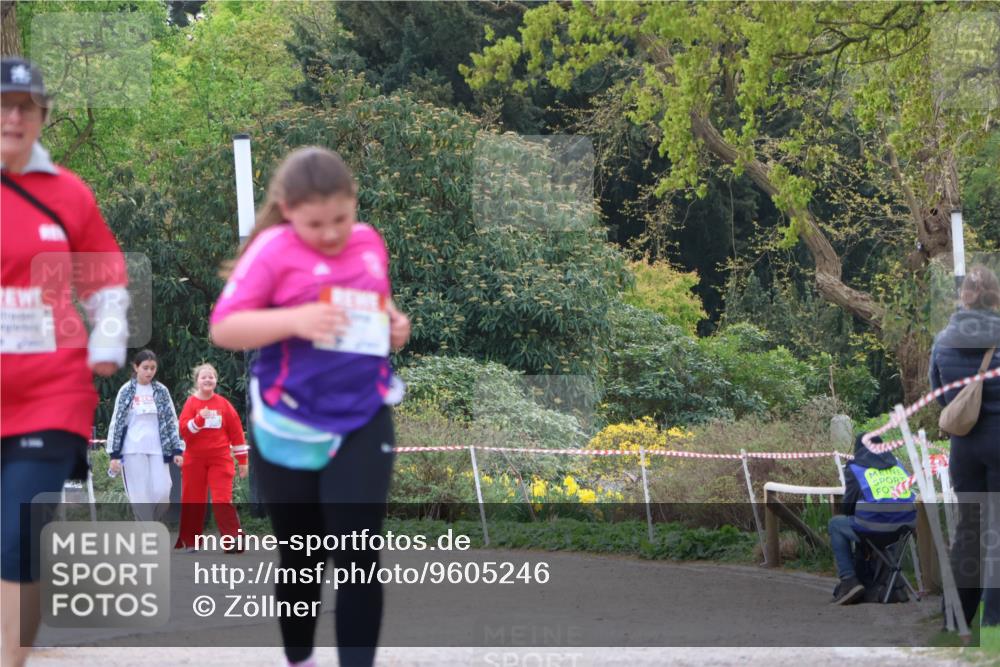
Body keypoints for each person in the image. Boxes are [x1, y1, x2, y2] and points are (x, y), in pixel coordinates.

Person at [210, 146, 410, 667]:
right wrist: (296, 320)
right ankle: (300, 659)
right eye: (316, 222)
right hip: (288, 421)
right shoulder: (273, 251)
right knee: (302, 556)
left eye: (341, 218)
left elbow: (379, 302)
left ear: (354, 204)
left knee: (358, 553)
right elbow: (225, 327)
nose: (331, 233)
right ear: (287, 208)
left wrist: (397, 323)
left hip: (364, 416)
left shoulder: (369, 243)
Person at [1, 57, 129, 667]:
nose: (14, 116)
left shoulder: (69, 192)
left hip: (52, 393)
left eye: (27, 106)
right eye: (3, 104)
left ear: (43, 117)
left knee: (16, 532)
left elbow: (107, 279)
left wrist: (107, 340)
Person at [931, 264, 1000, 627]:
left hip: (964, 448)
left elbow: (939, 394)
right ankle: (994, 626)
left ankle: (955, 620)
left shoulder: (943, 340)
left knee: (968, 532)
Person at [827, 434, 917, 605]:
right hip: (905, 527)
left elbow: (848, 506)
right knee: (879, 526)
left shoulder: (855, 467)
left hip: (873, 527)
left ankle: (848, 580)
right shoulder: (897, 464)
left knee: (836, 524)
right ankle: (891, 583)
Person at [174, 362, 248, 551]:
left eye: (211, 377)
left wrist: (242, 461)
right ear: (197, 381)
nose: (208, 379)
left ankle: (233, 540)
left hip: (220, 458)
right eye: (204, 377)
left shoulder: (224, 404)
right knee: (193, 499)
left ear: (216, 381)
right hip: (194, 460)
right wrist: (199, 420)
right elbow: (184, 431)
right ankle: (191, 541)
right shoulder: (191, 403)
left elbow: (237, 434)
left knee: (222, 499)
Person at [106, 349, 184, 521]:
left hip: (159, 449)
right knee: (140, 497)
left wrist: (177, 450)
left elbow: (171, 420)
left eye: (153, 368)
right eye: (145, 367)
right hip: (132, 449)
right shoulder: (126, 391)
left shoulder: (161, 391)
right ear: (136, 367)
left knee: (163, 492)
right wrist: (114, 454)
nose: (149, 372)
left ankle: (150, 523)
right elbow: (117, 422)